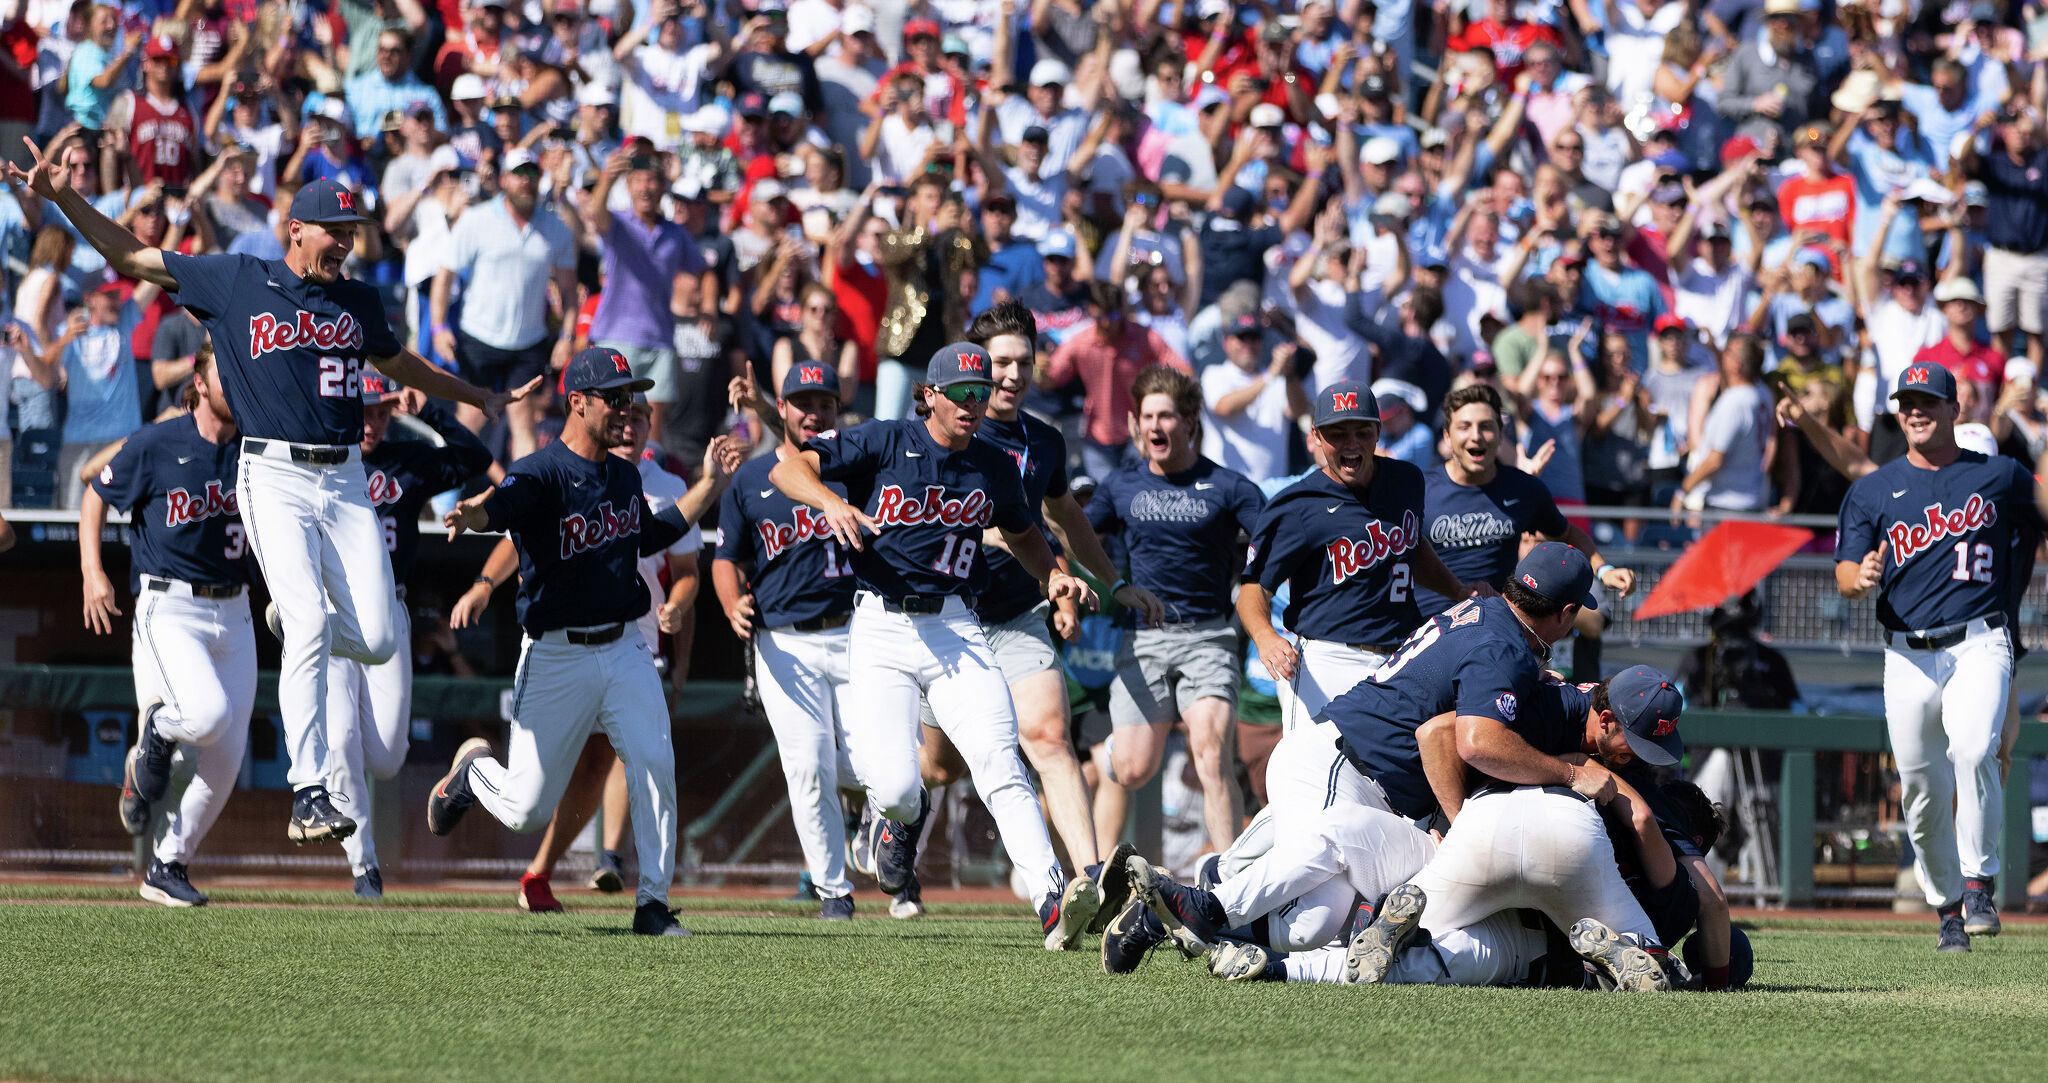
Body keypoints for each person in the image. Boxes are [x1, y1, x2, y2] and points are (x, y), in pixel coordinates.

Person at [16, 127, 530, 846]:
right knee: (316, 625)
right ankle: (308, 787)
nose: (345, 242)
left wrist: (478, 393)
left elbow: (404, 366)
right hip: (274, 472)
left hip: (346, 475)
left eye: (352, 230)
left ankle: (291, 620)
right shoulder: (237, 280)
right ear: (293, 230)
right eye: (333, 230)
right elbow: (129, 254)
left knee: (381, 640)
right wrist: (66, 196)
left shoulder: (359, 299)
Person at [767, 340, 1098, 946]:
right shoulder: (887, 440)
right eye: (962, 392)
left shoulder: (993, 463)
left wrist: (1051, 573)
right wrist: (833, 501)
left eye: (982, 390)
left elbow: (1024, 534)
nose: (974, 403)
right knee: (894, 787)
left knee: (1001, 759)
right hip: (881, 625)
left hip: (953, 623)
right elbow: (786, 468)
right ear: (930, 395)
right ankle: (901, 820)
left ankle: (1053, 898)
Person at [429, 347, 741, 937]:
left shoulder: (625, 474)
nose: (628, 407)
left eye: (632, 396)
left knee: (653, 760)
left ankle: (652, 903)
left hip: (625, 647)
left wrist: (708, 485)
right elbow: (508, 503)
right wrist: (477, 513)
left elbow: (655, 532)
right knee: (525, 811)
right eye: (615, 397)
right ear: (578, 402)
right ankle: (473, 772)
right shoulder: (542, 471)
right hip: (555, 654)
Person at [1834, 361, 2044, 953]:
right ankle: (1949, 908)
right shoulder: (1873, 489)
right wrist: (1858, 579)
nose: (1915, 411)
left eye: (1928, 401)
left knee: (1976, 747)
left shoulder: (1999, 474)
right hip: (1905, 653)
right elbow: (1845, 571)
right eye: (1906, 402)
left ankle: (1980, 884)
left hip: (1981, 639)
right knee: (1922, 792)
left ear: (1956, 410)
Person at [81, 345, 250, 907]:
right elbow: (93, 490)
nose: (237, 383)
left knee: (227, 759)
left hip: (237, 609)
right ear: (199, 382)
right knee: (206, 717)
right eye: (225, 373)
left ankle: (167, 865)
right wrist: (92, 573)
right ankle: (154, 732)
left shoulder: (255, 448)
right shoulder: (160, 441)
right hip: (169, 605)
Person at [326, 373, 494, 899]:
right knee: (340, 740)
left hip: (389, 605)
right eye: (365, 409)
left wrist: (429, 413)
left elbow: (475, 459)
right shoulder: (318, 456)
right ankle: (364, 868)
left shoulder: (405, 459)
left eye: (381, 410)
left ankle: (452, 782)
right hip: (332, 608)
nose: (372, 420)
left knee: (387, 757)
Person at [1088, 364, 1264, 855]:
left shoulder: (1230, 487)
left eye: (1166, 416)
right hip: (1142, 637)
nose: (1155, 426)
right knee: (1132, 769)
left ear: (1189, 421)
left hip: (1208, 636)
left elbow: (1274, 543)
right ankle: (1100, 874)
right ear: (1135, 424)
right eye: (1147, 417)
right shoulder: (1120, 487)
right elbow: (1078, 537)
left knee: (1210, 754)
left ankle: (1229, 892)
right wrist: (1073, 580)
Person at [1239, 382, 1481, 734]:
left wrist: (1456, 590)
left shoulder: (1407, 480)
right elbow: (1253, 588)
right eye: (1337, 433)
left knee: (1394, 777)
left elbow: (1410, 547)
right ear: (1317, 437)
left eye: (1361, 431)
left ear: (1378, 432)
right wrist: (1265, 636)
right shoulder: (1296, 505)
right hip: (1328, 658)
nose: (1351, 443)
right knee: (1315, 774)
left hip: (1401, 653)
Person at [714, 360, 863, 920]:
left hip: (856, 631)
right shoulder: (752, 479)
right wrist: (731, 602)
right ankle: (833, 891)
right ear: (783, 409)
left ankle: (876, 826)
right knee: (807, 766)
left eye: (824, 402)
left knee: (870, 765)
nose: (814, 412)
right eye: (803, 402)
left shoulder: (859, 464)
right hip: (783, 642)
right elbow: (726, 558)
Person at [1421, 384, 1635, 617]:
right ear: (1447, 436)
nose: (1476, 436)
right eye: (1464, 427)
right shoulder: (1419, 488)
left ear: (1501, 435)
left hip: (1492, 629)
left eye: (1486, 426)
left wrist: (1604, 570)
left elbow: (1569, 534)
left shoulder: (1524, 488)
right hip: (1427, 628)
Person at [432, 148, 578, 463]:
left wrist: (566, 337)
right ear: (504, 179)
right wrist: (439, 327)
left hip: (528, 342)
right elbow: (444, 277)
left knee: (524, 422)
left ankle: (522, 505)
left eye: (531, 174)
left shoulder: (556, 228)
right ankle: (442, 493)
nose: (525, 181)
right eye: (518, 174)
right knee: (470, 419)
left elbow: (568, 292)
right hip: (479, 337)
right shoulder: (476, 219)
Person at [584, 147, 707, 439]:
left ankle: (646, 484)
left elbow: (703, 269)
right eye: (638, 179)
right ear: (628, 185)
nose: (645, 187)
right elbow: (596, 213)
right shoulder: (619, 224)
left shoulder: (675, 233)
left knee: (650, 429)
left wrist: (710, 306)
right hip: (616, 337)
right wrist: (607, 177)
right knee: (607, 423)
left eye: (652, 180)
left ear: (663, 187)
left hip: (661, 341)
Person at [1200, 313, 1306, 483]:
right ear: (1226, 343)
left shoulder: (1279, 380)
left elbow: (1298, 411)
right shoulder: (1214, 374)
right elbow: (1224, 407)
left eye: (1254, 337)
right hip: (1222, 487)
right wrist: (1271, 373)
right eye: (1242, 337)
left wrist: (1290, 374)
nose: (1248, 344)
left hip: (1269, 490)